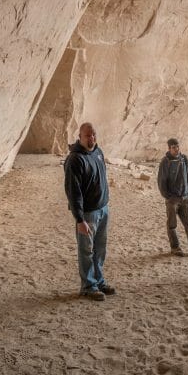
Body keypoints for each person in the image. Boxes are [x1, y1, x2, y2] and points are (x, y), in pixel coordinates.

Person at [64, 122, 116, 301]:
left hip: (102, 209)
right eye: (87, 135)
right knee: (86, 250)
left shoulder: (98, 152)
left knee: (100, 249)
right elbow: (73, 192)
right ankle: (88, 286)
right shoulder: (75, 159)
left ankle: (99, 281)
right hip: (87, 214)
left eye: (93, 134)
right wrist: (79, 219)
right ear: (80, 137)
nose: (91, 138)